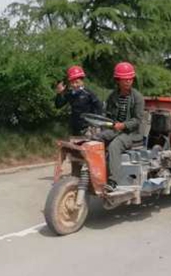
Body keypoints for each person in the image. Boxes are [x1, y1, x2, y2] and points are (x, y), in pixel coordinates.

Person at [101, 62, 145, 190]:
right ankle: (92, 172)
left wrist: (124, 125)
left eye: (130, 78)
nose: (128, 81)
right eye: (124, 79)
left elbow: (138, 120)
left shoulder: (137, 98)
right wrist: (105, 125)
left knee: (115, 145)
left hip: (132, 134)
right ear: (118, 80)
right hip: (115, 129)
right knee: (96, 138)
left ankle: (113, 181)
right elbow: (107, 116)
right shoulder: (112, 96)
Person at [54, 65, 103, 135]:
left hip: (88, 128)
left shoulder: (89, 94)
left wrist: (96, 125)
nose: (74, 85)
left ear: (82, 81)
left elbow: (99, 108)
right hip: (75, 128)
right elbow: (58, 105)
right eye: (72, 83)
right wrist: (59, 94)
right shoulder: (70, 94)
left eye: (77, 82)